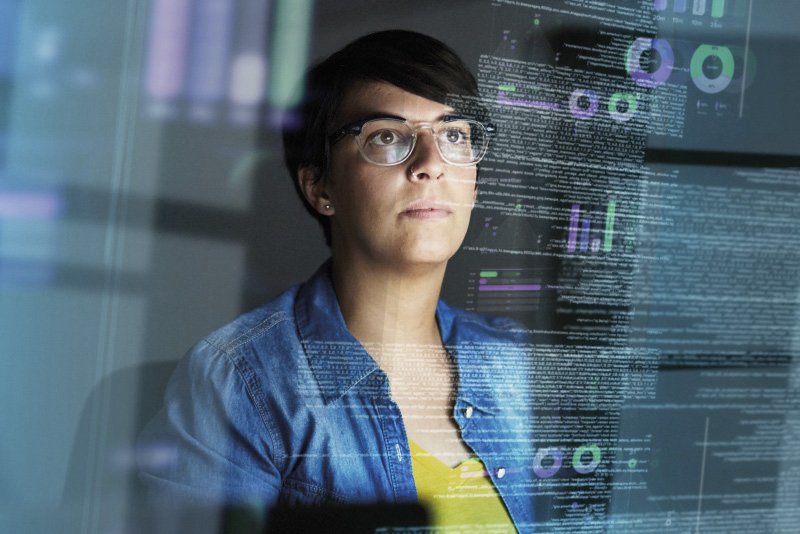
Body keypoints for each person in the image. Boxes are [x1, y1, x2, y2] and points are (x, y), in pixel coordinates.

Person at [137, 30, 535, 532]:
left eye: (454, 135)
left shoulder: (515, 361)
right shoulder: (241, 379)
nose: (432, 164)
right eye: (387, 137)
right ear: (320, 186)